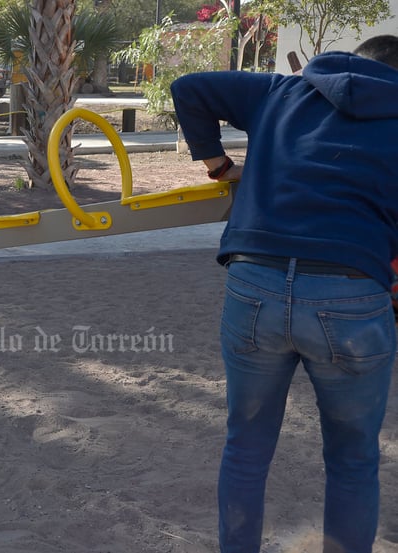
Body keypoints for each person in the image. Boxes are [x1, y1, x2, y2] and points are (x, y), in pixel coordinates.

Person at [170, 35, 398, 553]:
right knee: (352, 459)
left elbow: (189, 89)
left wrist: (219, 167)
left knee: (246, 449)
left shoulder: (283, 92)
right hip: (350, 294)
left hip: (255, 284)